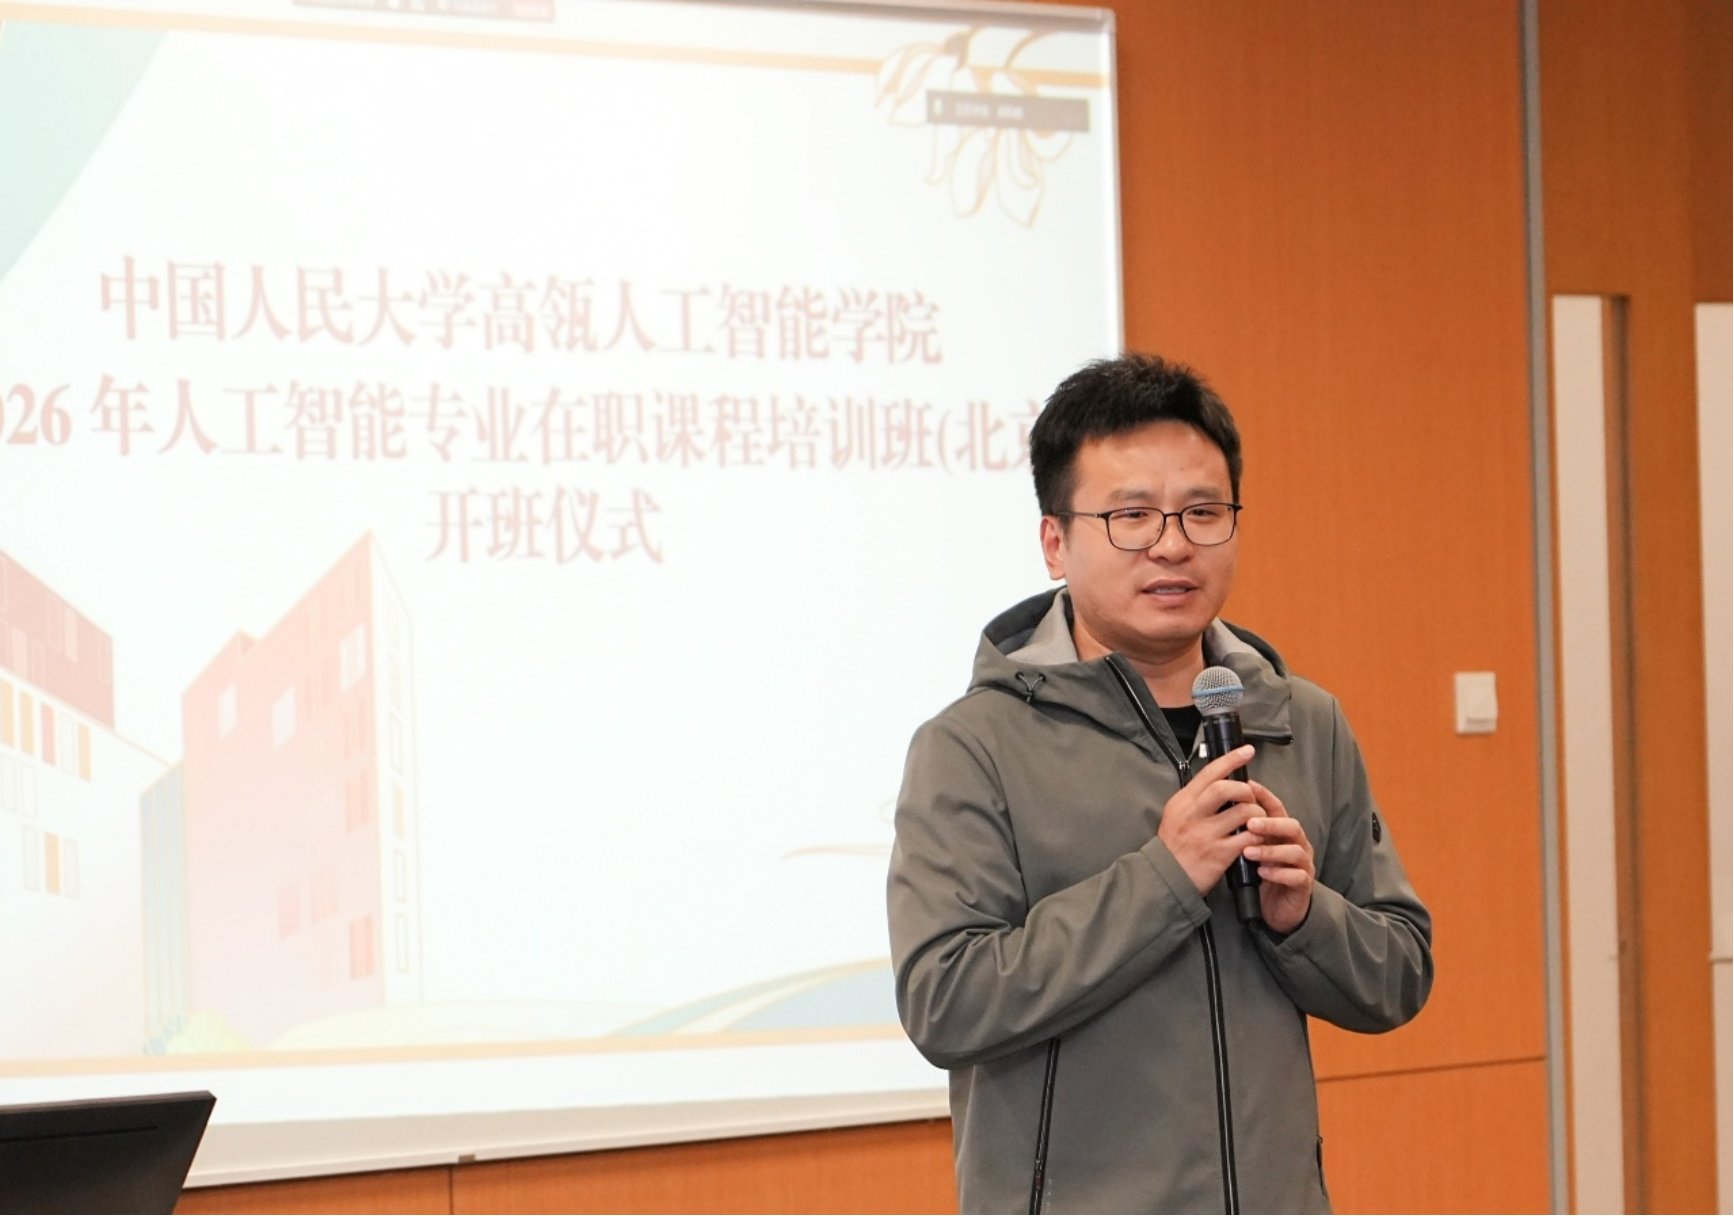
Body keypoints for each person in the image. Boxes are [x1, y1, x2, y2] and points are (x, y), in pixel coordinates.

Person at [886, 353, 1433, 1214]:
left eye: (1203, 512)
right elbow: (945, 1002)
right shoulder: (973, 745)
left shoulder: (1301, 721)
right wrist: (1163, 879)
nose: (1173, 544)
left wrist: (1303, 918)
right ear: (1055, 543)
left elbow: (1397, 975)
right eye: (1131, 515)